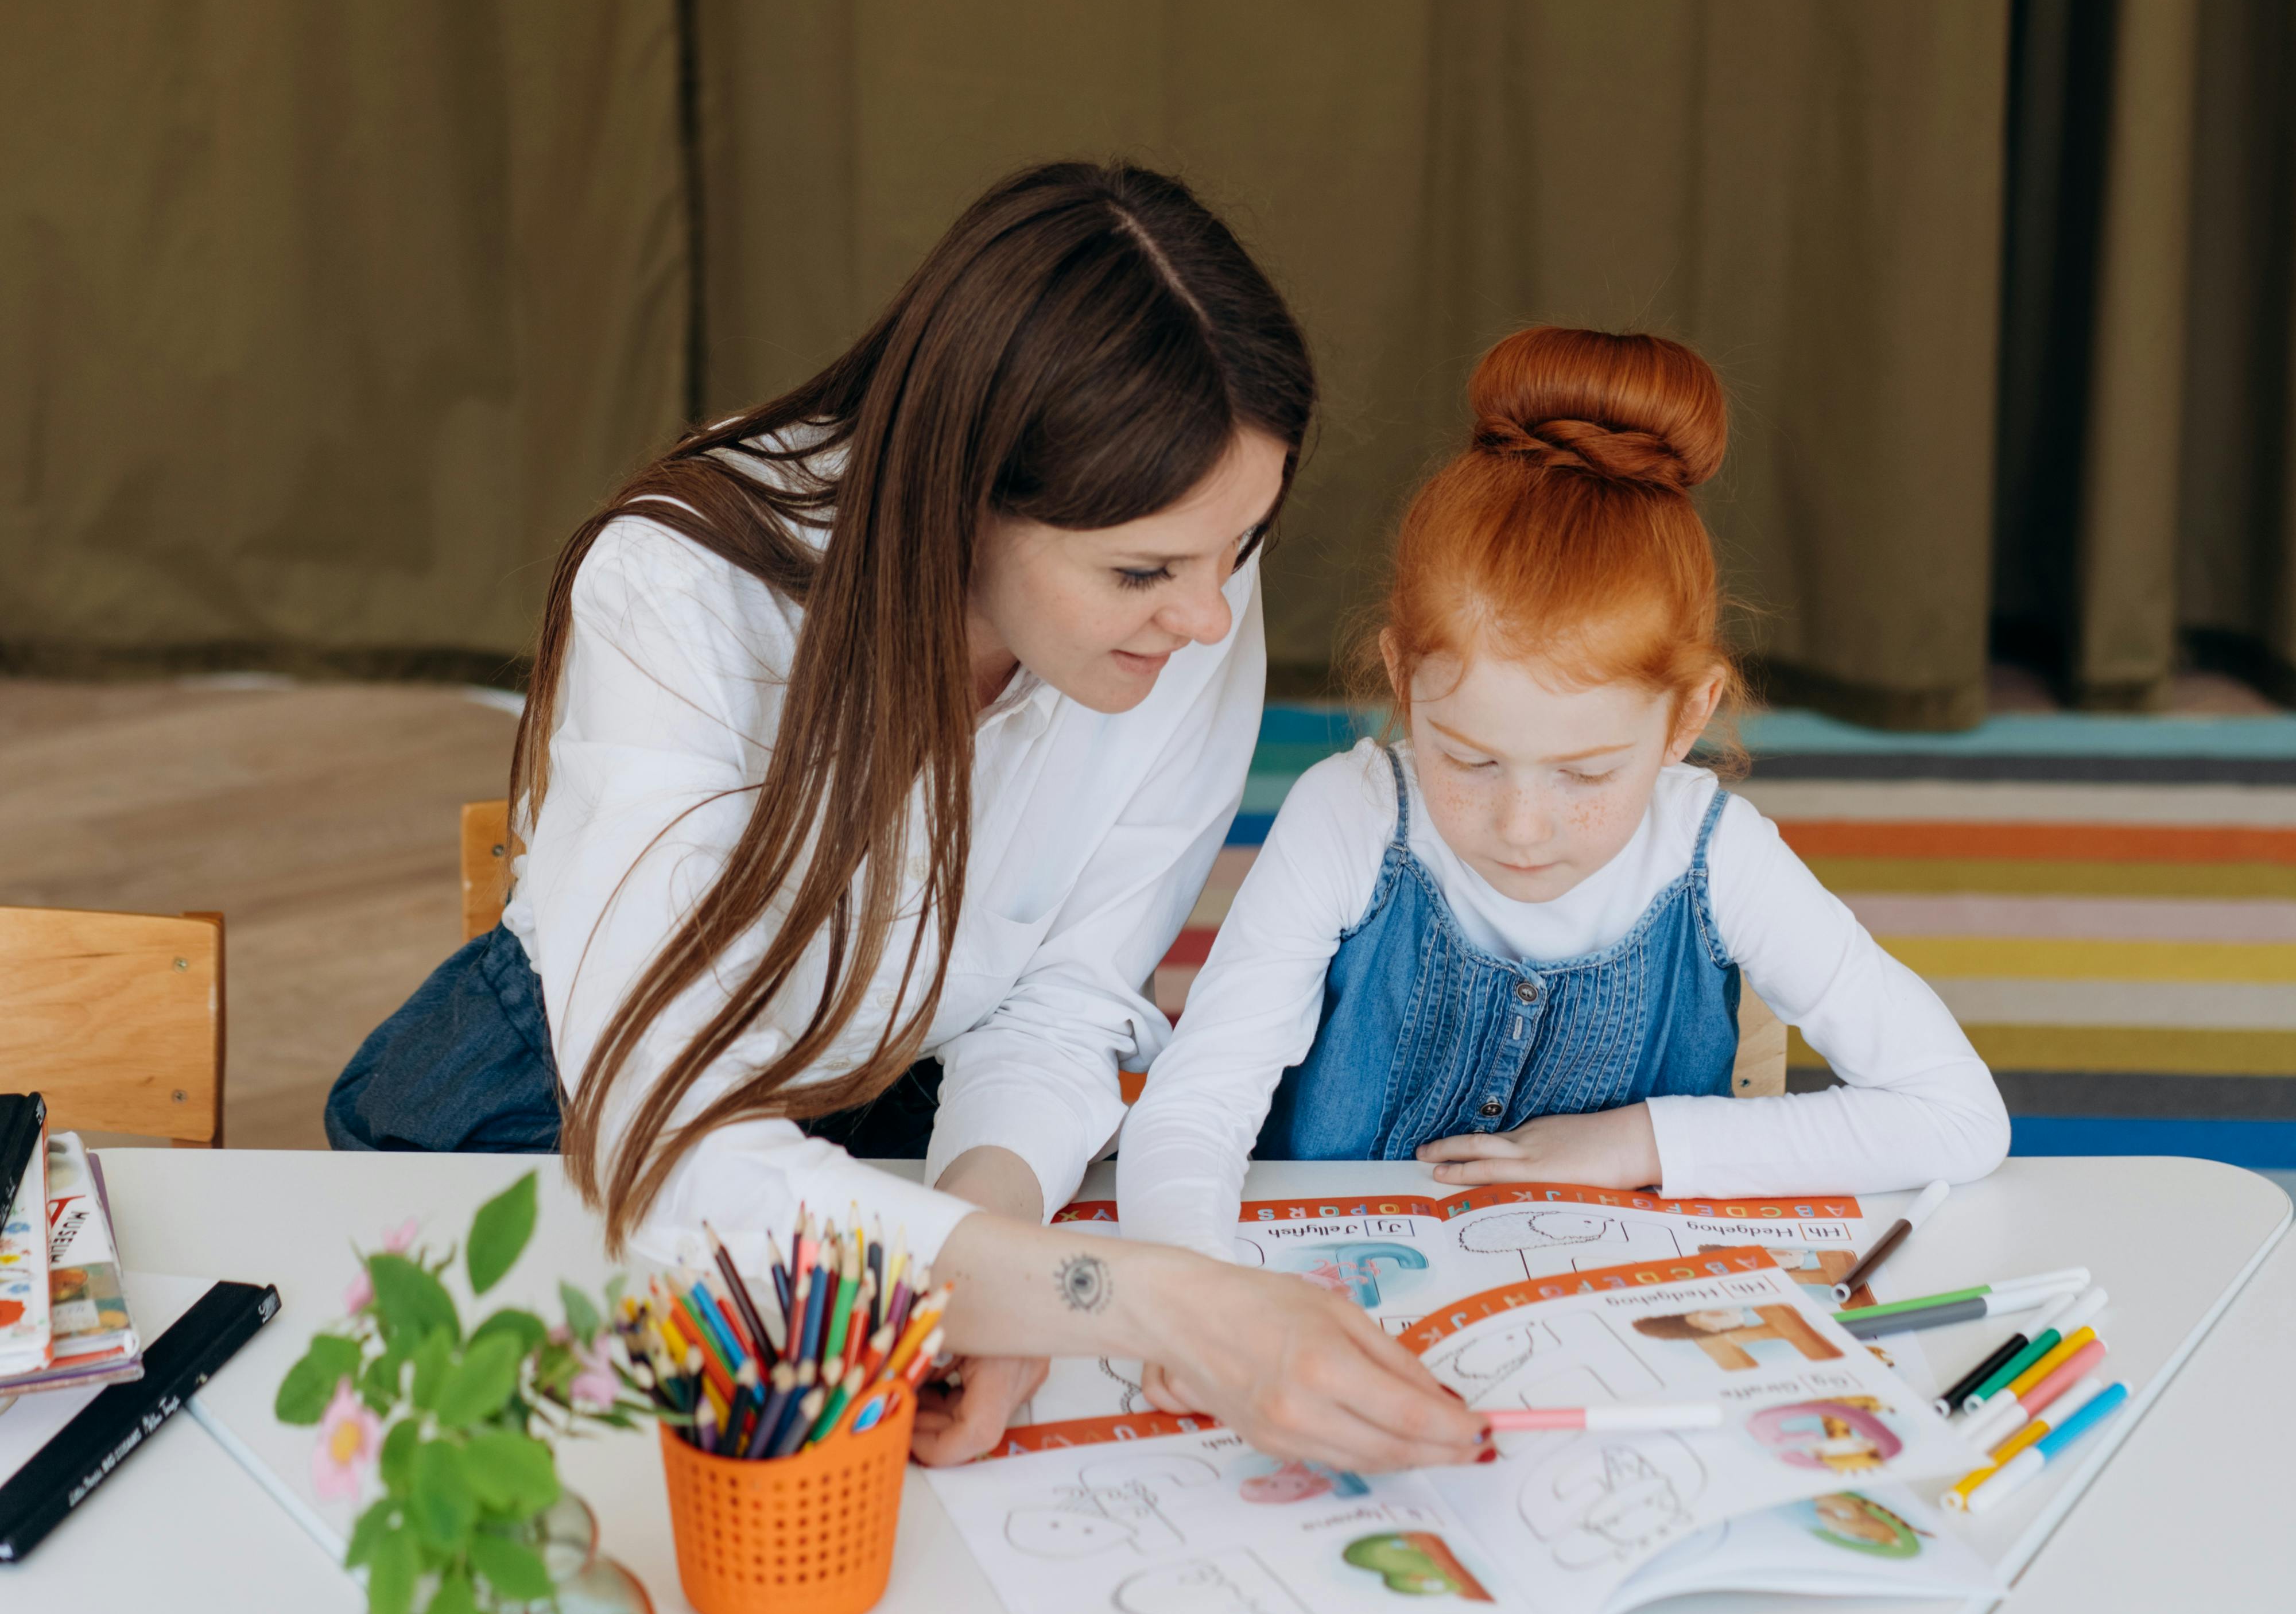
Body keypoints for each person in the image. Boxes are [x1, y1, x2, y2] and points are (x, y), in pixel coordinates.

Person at [327, 158, 1478, 1478]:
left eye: (1243, 546)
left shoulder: (1184, 577)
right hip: (565, 1120)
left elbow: (1062, 1001)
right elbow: (675, 1151)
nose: (1210, 617)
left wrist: (982, 1255)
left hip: (897, 1113)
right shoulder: (680, 590)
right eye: (1143, 572)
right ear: (965, 493)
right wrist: (1142, 1294)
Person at [1116, 322, 2008, 1260]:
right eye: (1468, 760)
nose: (1522, 827)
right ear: (1401, 678)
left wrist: (1641, 1142)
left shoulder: (1722, 858)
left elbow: (1957, 1116)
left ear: (1686, 720)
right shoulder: (1351, 819)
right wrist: (1188, 1287)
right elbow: (1197, 1103)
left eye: (1585, 775)